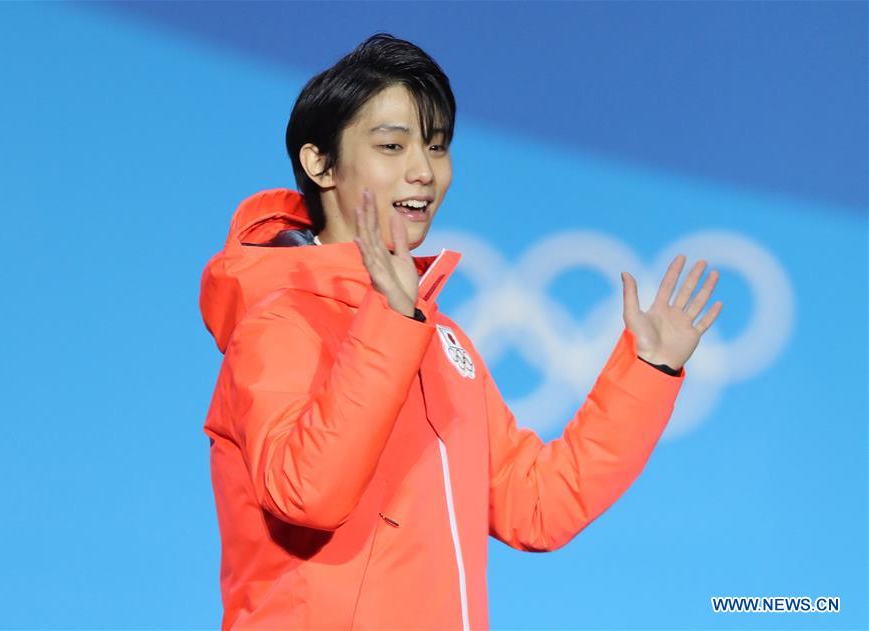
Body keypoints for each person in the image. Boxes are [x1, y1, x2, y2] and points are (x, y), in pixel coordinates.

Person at [199, 32, 721, 630]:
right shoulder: (278, 322)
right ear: (320, 164)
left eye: (437, 147)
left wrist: (649, 371)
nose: (424, 172)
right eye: (392, 146)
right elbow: (307, 492)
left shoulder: (439, 339)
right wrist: (392, 323)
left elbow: (536, 505)